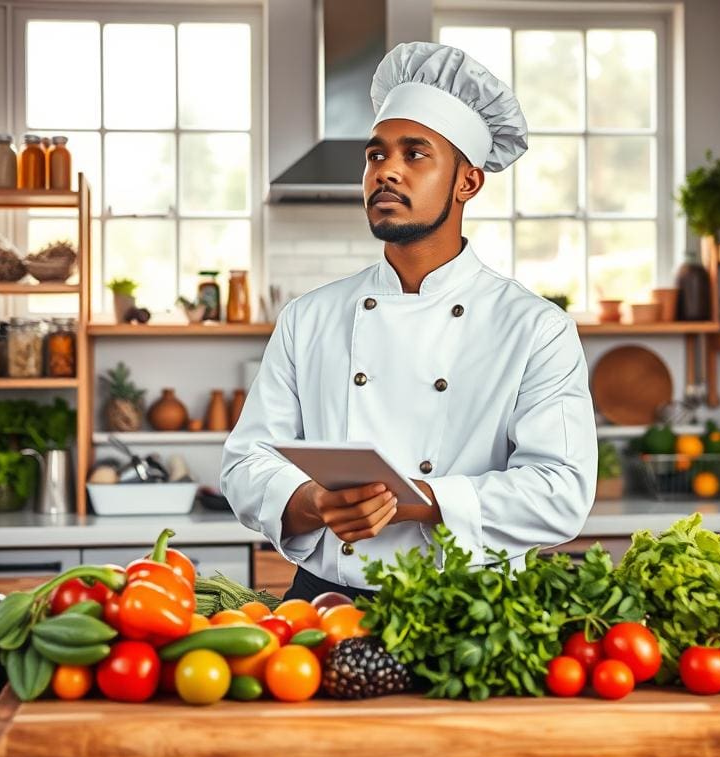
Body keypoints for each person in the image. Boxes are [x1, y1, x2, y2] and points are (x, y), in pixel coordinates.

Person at [221, 41, 597, 601]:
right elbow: (247, 461)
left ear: (467, 182)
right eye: (376, 156)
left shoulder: (535, 328)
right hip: (325, 601)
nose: (386, 171)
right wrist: (314, 503)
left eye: (415, 154)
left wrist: (421, 499)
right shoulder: (308, 318)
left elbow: (561, 491)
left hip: (467, 611)